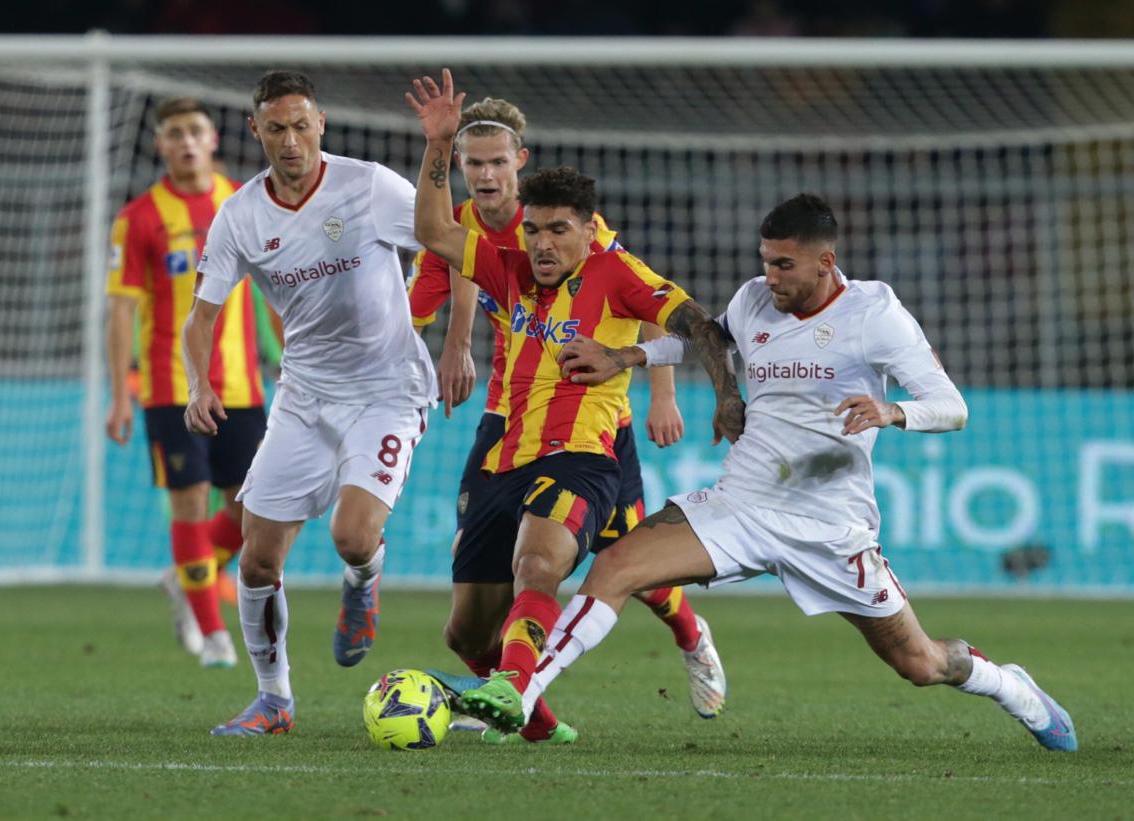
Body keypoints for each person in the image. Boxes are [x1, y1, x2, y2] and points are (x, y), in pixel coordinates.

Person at [476, 193, 1079, 753]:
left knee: (919, 663)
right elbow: (704, 340)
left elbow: (953, 407)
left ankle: (1009, 685)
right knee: (614, 567)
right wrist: (628, 355)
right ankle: (519, 695)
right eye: (766, 262)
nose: (771, 277)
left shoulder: (876, 314)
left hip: (829, 523)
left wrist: (892, 410)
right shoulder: (754, 299)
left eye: (785, 265)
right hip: (741, 502)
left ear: (826, 261)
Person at [406, 70, 742, 743]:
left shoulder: (610, 263)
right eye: (534, 231)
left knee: (567, 565)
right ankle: (535, 722)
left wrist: (704, 392)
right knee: (466, 629)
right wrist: (436, 146)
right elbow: (432, 232)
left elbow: (694, 323)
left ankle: (665, 639)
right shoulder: (504, 255)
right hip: (502, 440)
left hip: (589, 442)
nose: (542, 243)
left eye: (557, 231)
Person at [185, 70, 437, 736]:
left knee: (352, 536)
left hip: (387, 390)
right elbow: (201, 315)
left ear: (320, 123)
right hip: (303, 397)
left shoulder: (370, 186)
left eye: (301, 126)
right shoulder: (240, 214)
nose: (290, 141)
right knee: (257, 556)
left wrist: (460, 340)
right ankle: (274, 700)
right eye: (276, 129)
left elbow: (448, 243)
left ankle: (364, 579)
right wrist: (198, 381)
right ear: (256, 132)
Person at [106, 97, 265, 669]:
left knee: (254, 514)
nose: (187, 142)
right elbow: (121, 309)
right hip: (171, 386)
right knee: (191, 503)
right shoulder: (139, 218)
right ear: (161, 144)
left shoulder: (246, 204)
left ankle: (185, 578)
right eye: (175, 133)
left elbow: (275, 287)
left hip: (243, 387)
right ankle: (214, 634)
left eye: (196, 131)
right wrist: (119, 392)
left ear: (214, 139)